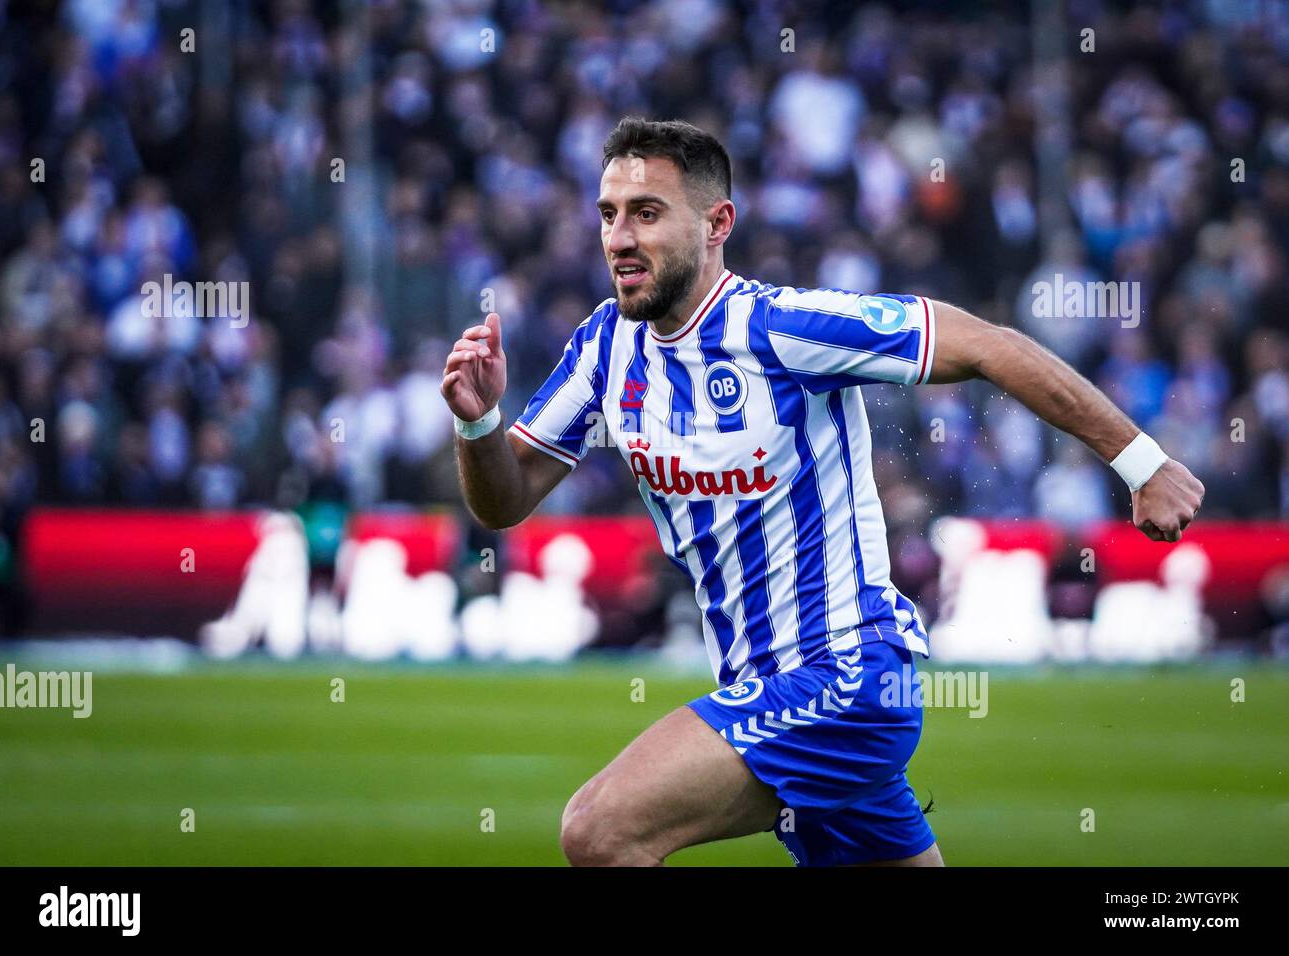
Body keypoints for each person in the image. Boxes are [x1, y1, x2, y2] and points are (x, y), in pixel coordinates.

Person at [439, 118, 1205, 867]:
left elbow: (987, 345)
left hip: (845, 678)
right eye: (608, 214)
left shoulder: (785, 326)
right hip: (769, 693)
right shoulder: (605, 345)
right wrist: (478, 426)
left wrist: (1141, 462)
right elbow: (504, 501)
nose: (619, 238)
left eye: (646, 213)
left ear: (716, 224)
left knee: (599, 831)